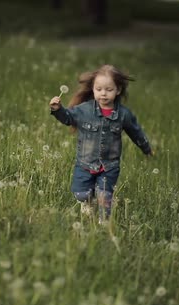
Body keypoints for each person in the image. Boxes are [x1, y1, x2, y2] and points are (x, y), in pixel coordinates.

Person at [49, 64, 153, 224]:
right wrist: (58, 110)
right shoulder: (84, 110)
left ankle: (104, 223)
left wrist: (146, 148)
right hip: (85, 164)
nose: (103, 93)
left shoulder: (123, 115)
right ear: (93, 89)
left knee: (105, 196)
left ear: (118, 90)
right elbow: (68, 118)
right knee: (81, 194)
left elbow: (135, 132)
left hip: (109, 166)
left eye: (108, 89)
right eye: (98, 89)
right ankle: (88, 203)